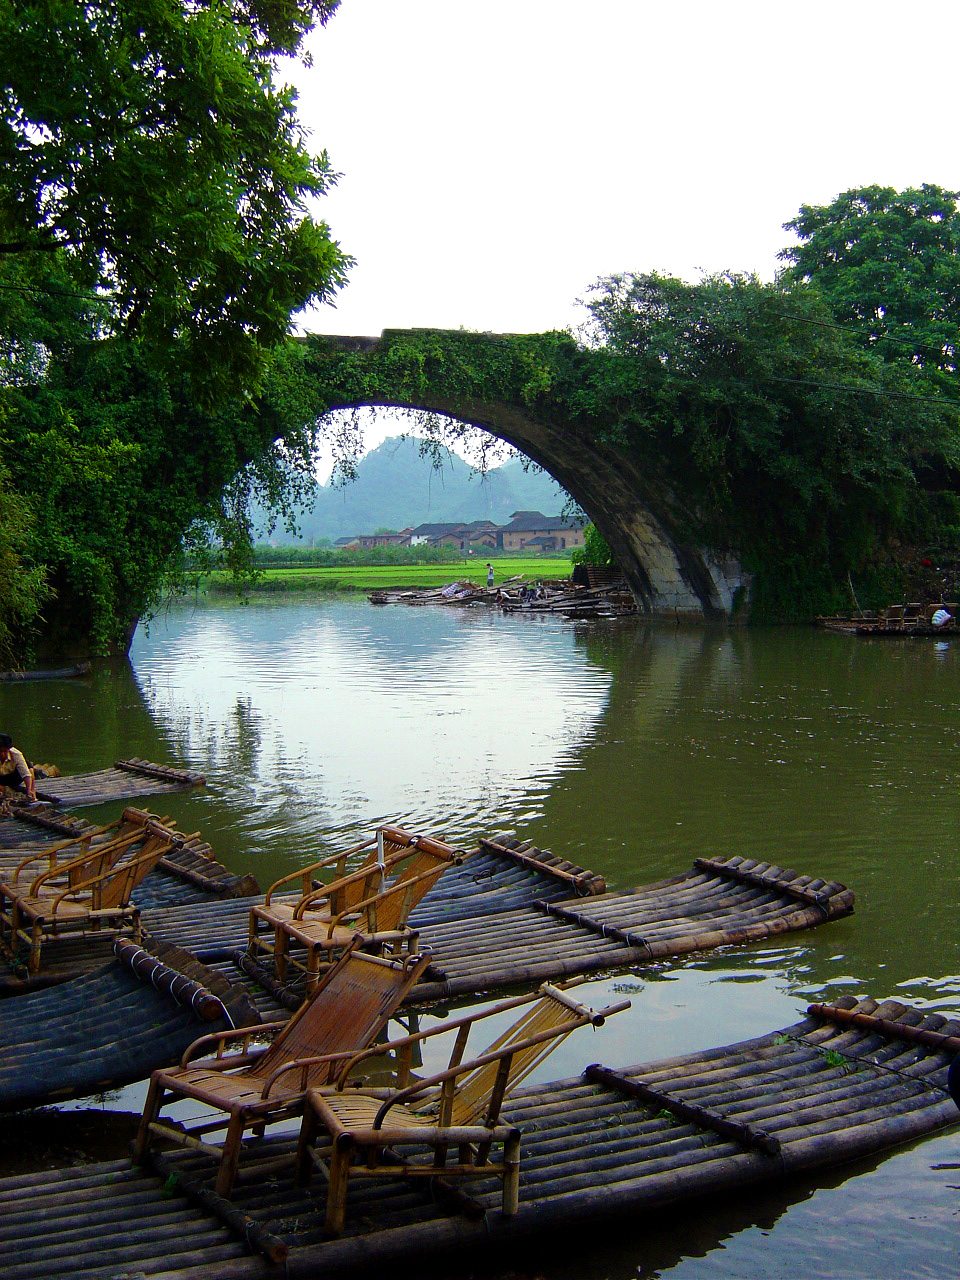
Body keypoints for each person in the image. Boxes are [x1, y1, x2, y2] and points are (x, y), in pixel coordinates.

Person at [0, 733, 36, 801]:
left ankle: (32, 793)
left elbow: (25, 774)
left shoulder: (16, 754)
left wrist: (29, 789)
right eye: (0, 751)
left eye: (5, 751)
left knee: (30, 768)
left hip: (12, 776)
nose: (2, 754)